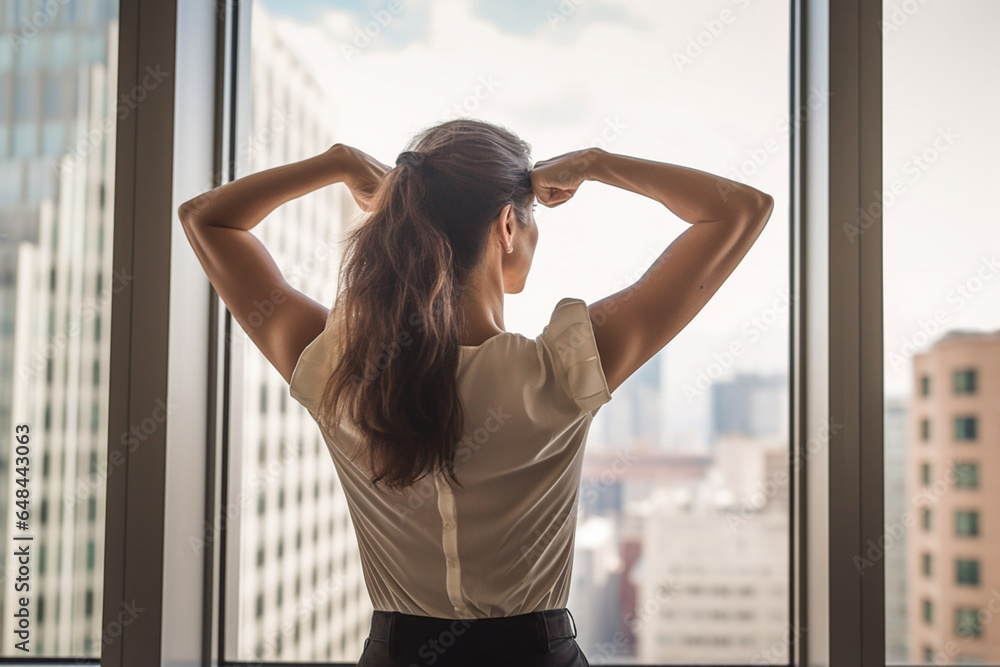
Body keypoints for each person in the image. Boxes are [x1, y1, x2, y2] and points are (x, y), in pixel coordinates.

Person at [178, 118, 773, 666]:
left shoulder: (339, 365)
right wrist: (596, 162)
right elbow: (740, 211)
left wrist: (335, 164)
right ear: (507, 226)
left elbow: (207, 219)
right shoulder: (566, 368)